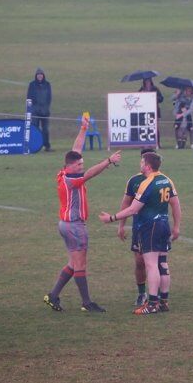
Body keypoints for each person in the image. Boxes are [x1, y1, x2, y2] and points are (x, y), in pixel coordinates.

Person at [43, 117, 122, 313]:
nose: (81, 167)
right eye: (78, 165)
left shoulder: (63, 172)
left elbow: (76, 148)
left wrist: (83, 128)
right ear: (70, 167)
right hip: (75, 226)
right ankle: (86, 303)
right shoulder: (72, 179)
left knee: (73, 263)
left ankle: (53, 296)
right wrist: (109, 161)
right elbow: (91, 174)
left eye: (81, 164)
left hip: (65, 224)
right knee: (80, 264)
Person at [100, 152, 181, 315]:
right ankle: (164, 301)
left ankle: (151, 304)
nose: (140, 164)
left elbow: (133, 209)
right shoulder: (167, 180)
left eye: (142, 162)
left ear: (148, 166)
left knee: (151, 265)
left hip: (150, 227)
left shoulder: (147, 183)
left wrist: (112, 218)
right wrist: (177, 226)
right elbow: (176, 204)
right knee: (163, 264)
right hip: (164, 225)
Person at [117, 148, 156, 307]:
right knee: (140, 262)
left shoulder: (161, 180)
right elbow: (126, 203)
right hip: (139, 228)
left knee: (156, 262)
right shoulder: (134, 181)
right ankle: (142, 293)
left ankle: (158, 294)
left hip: (156, 227)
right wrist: (121, 225)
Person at [27, 67, 53, 151]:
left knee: (45, 129)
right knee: (35, 128)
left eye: (41, 75)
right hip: (35, 111)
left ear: (43, 76)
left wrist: (46, 107)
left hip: (45, 111)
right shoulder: (32, 84)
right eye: (38, 75)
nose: (40, 76)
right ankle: (35, 146)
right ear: (36, 76)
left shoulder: (47, 84)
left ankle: (47, 146)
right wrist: (32, 109)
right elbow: (29, 97)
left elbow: (49, 97)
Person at [139, 78, 164, 147]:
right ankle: (145, 143)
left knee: (156, 127)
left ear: (151, 82)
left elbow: (161, 98)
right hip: (145, 111)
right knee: (145, 128)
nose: (148, 83)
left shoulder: (155, 89)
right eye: (146, 81)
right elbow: (137, 98)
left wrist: (153, 96)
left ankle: (157, 143)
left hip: (155, 110)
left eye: (149, 81)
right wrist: (141, 94)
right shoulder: (142, 89)